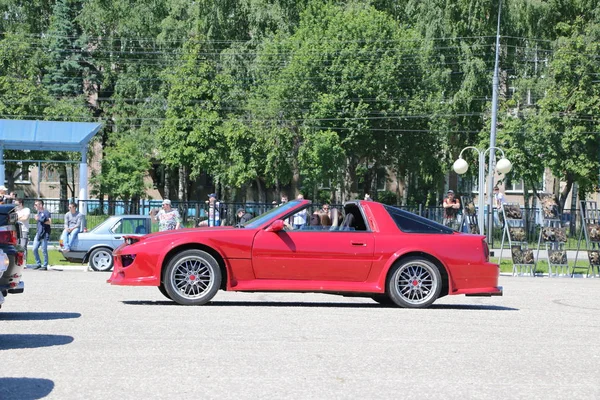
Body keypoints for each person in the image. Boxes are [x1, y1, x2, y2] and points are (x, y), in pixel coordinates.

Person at [32, 199, 51, 270]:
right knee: (34, 249)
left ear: (40, 205)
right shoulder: (38, 213)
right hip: (39, 233)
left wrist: (39, 219)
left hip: (45, 233)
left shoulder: (46, 212)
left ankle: (45, 265)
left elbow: (49, 222)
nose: (35, 206)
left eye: (36, 205)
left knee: (44, 250)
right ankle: (38, 263)